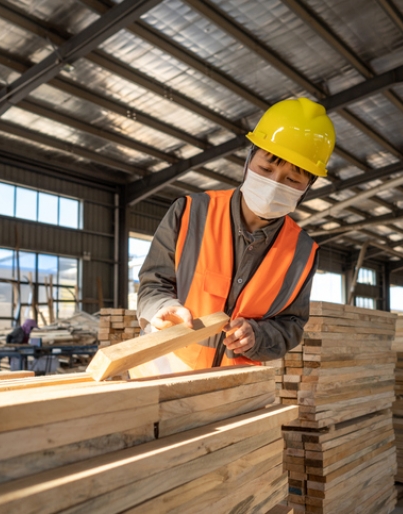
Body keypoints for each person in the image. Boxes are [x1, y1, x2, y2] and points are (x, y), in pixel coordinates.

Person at [132, 97, 335, 377]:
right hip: (164, 368)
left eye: (292, 180)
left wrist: (258, 336)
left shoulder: (302, 252)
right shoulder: (190, 213)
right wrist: (163, 306)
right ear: (249, 159)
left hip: (233, 386)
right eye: (266, 169)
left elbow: (291, 325)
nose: (274, 184)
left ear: (308, 187)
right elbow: (153, 283)